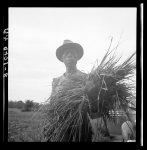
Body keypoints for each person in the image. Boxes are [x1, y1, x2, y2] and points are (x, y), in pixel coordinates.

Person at [45, 40, 105, 142]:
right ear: (62, 58)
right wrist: (49, 124)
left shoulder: (86, 78)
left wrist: (92, 93)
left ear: (77, 58)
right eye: (66, 53)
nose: (70, 55)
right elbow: (52, 105)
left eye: (73, 53)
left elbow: (94, 106)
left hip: (82, 124)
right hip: (62, 124)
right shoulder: (56, 81)